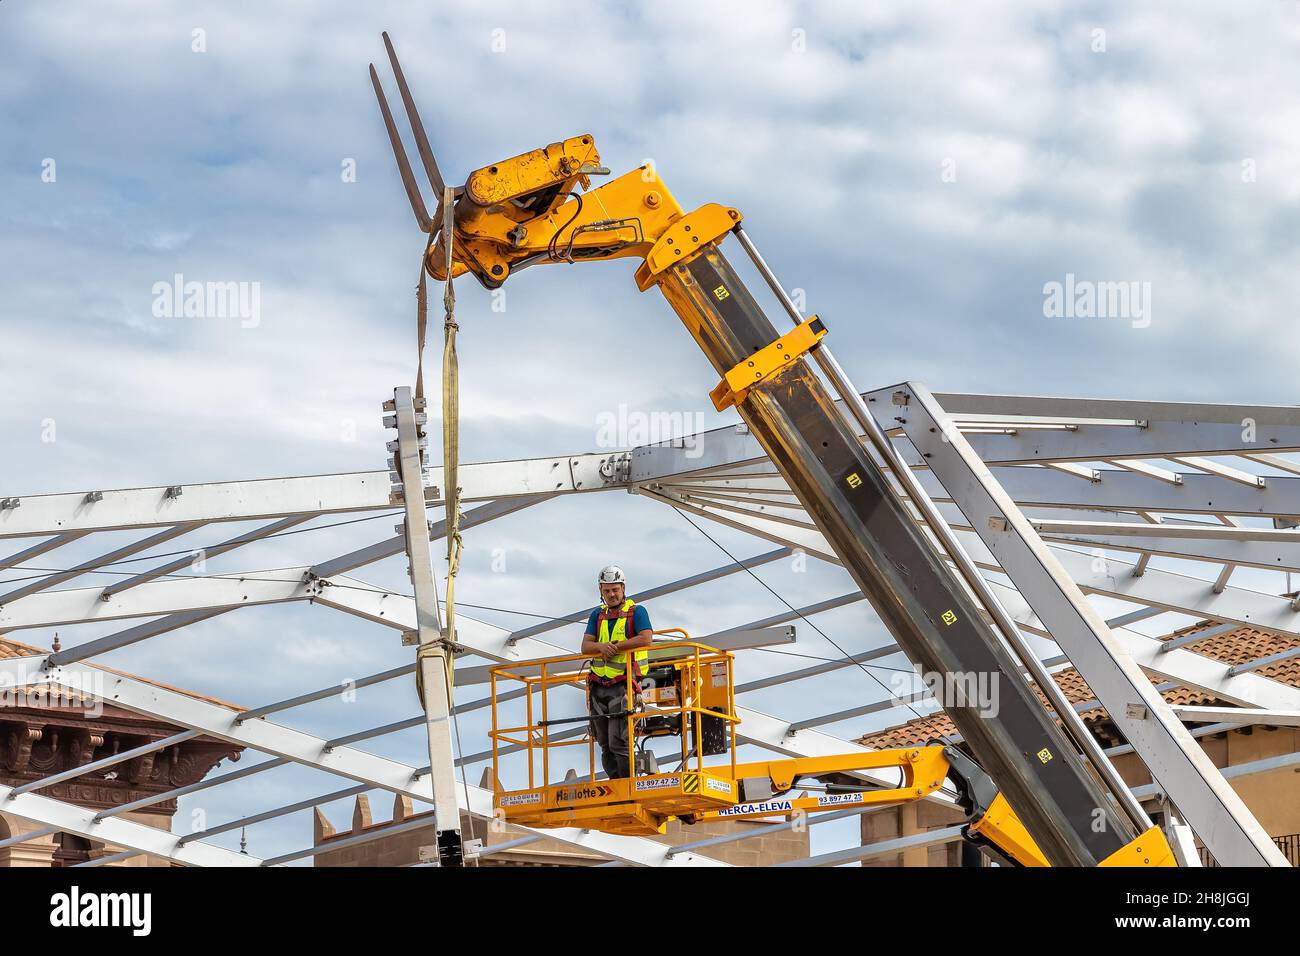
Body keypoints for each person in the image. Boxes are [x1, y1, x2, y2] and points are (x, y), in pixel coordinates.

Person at [580, 565, 654, 779]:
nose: (611, 595)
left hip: (624, 685)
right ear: (601, 591)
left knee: (618, 741)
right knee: (604, 742)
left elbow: (645, 638)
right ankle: (616, 784)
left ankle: (627, 785)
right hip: (598, 686)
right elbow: (586, 646)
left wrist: (616, 647)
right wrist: (602, 647)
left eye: (615, 590)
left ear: (623, 588)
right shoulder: (598, 615)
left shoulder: (637, 612)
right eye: (607, 591)